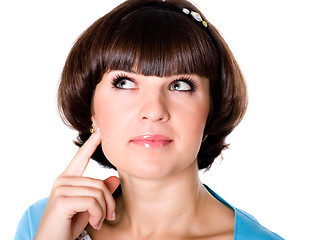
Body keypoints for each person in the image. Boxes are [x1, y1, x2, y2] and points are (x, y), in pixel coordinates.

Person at [15, 0, 283, 239]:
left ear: (212, 110)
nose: (154, 111)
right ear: (91, 110)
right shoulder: (45, 222)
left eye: (180, 85)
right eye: (124, 83)